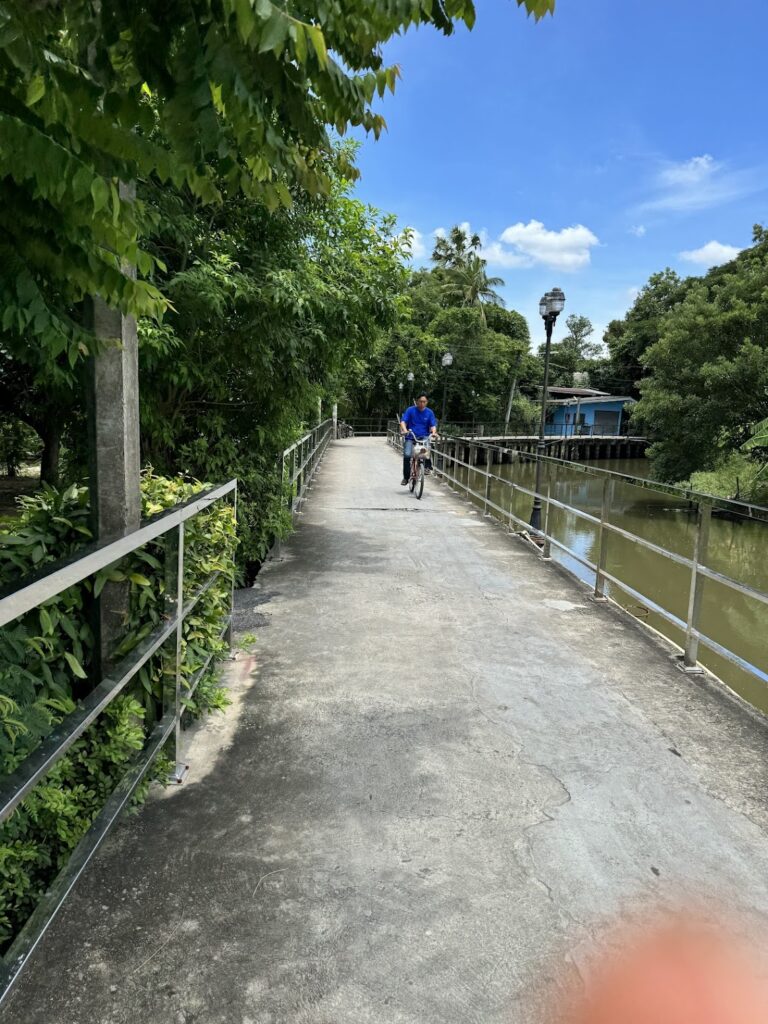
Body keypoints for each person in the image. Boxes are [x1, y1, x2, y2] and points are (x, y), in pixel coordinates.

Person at [399, 393, 438, 485]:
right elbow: (403, 421)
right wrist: (405, 430)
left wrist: (433, 432)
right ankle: (406, 477)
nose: (422, 403)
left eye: (424, 402)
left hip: (423, 435)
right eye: (420, 401)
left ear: (427, 402)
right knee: (407, 455)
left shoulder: (429, 412)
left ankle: (428, 468)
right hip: (410, 436)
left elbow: (433, 425)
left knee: (427, 447)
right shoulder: (410, 410)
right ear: (417, 401)